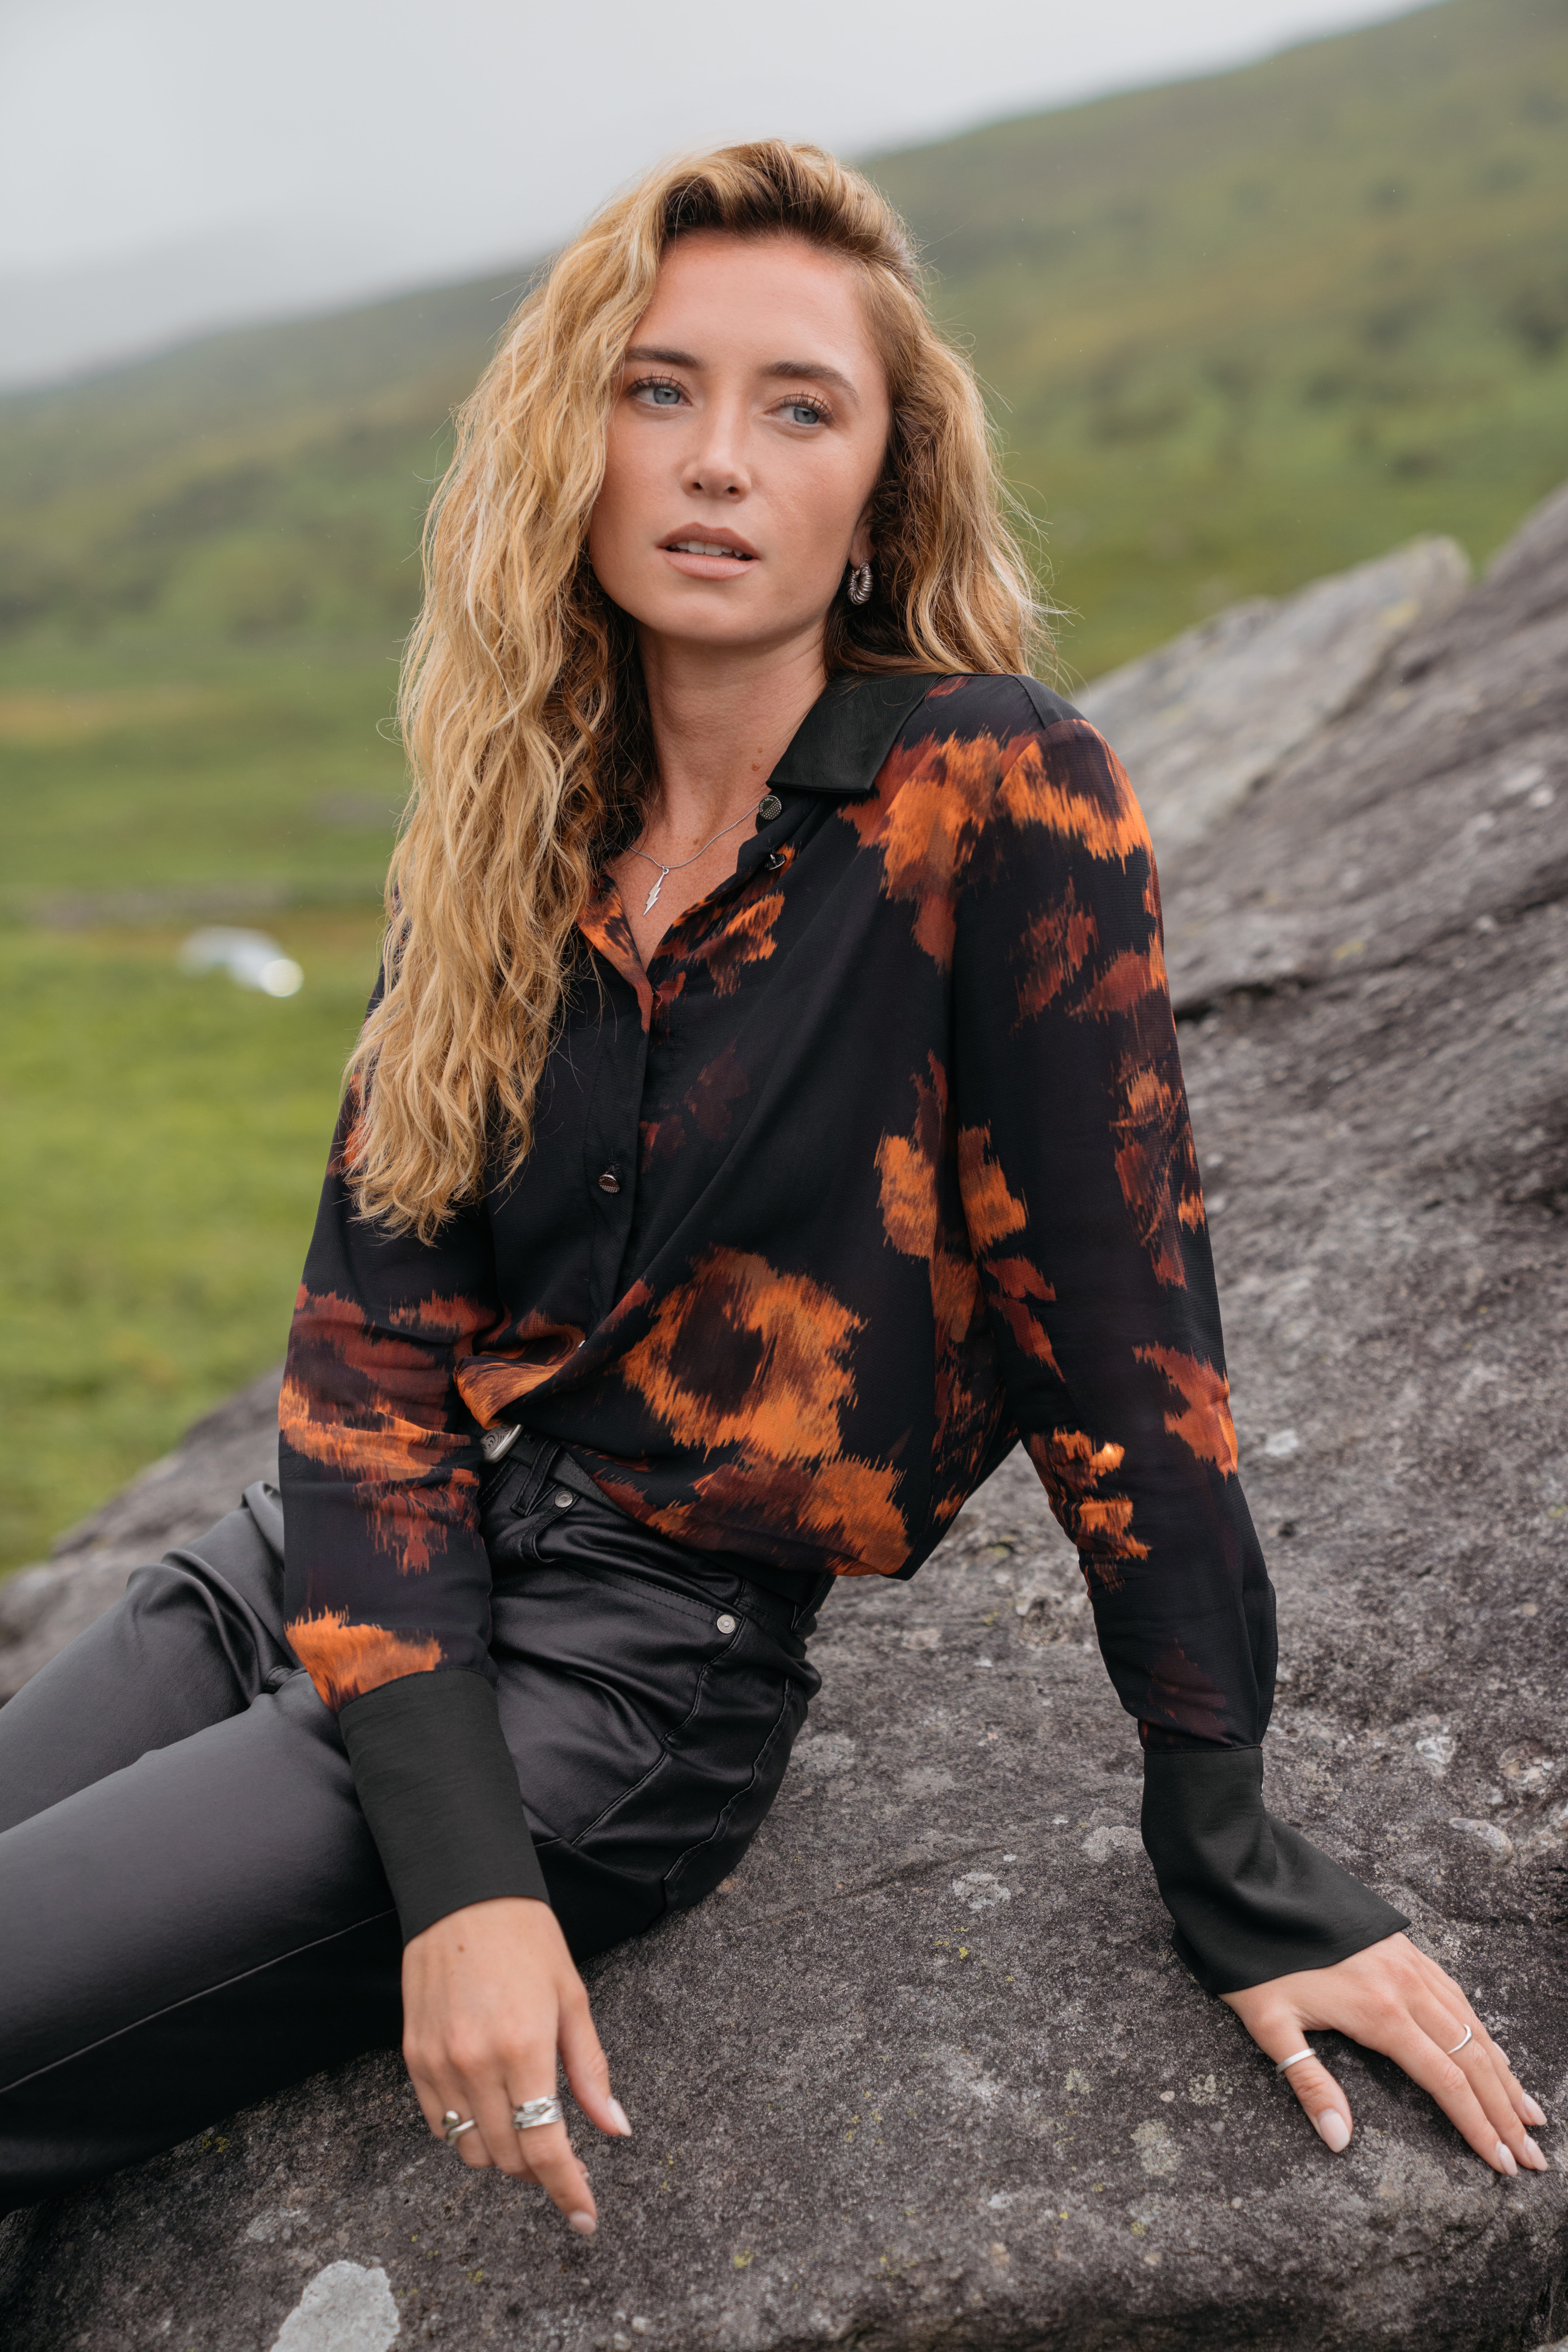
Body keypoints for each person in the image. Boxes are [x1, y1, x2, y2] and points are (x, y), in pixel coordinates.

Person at [0, 141, 1549, 2227]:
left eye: (797, 406)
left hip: (625, 1671)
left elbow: (1128, 1350)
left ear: (879, 491)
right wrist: (436, 1835)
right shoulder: (513, 822)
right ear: (577, 436)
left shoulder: (996, 790)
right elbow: (368, 1352)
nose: (718, 460)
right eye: (659, 390)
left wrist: (1233, 1850)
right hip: (330, 1571)